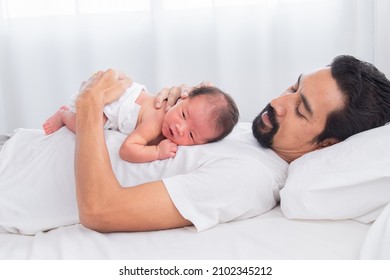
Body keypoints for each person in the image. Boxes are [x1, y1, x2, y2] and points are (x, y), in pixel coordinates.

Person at [53, 55, 390, 232]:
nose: (278, 102)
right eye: (293, 88)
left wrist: (89, 103)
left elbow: (101, 212)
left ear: (326, 144)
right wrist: (168, 107)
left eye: (301, 110)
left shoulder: (250, 178)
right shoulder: (251, 135)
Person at [42, 81, 239, 163]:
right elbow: (127, 149)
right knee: (88, 127)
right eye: (184, 115)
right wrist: (157, 152)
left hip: (123, 93)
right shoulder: (157, 119)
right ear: (182, 98)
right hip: (107, 101)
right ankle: (64, 115)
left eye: (191, 135)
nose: (180, 128)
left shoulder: (177, 119)